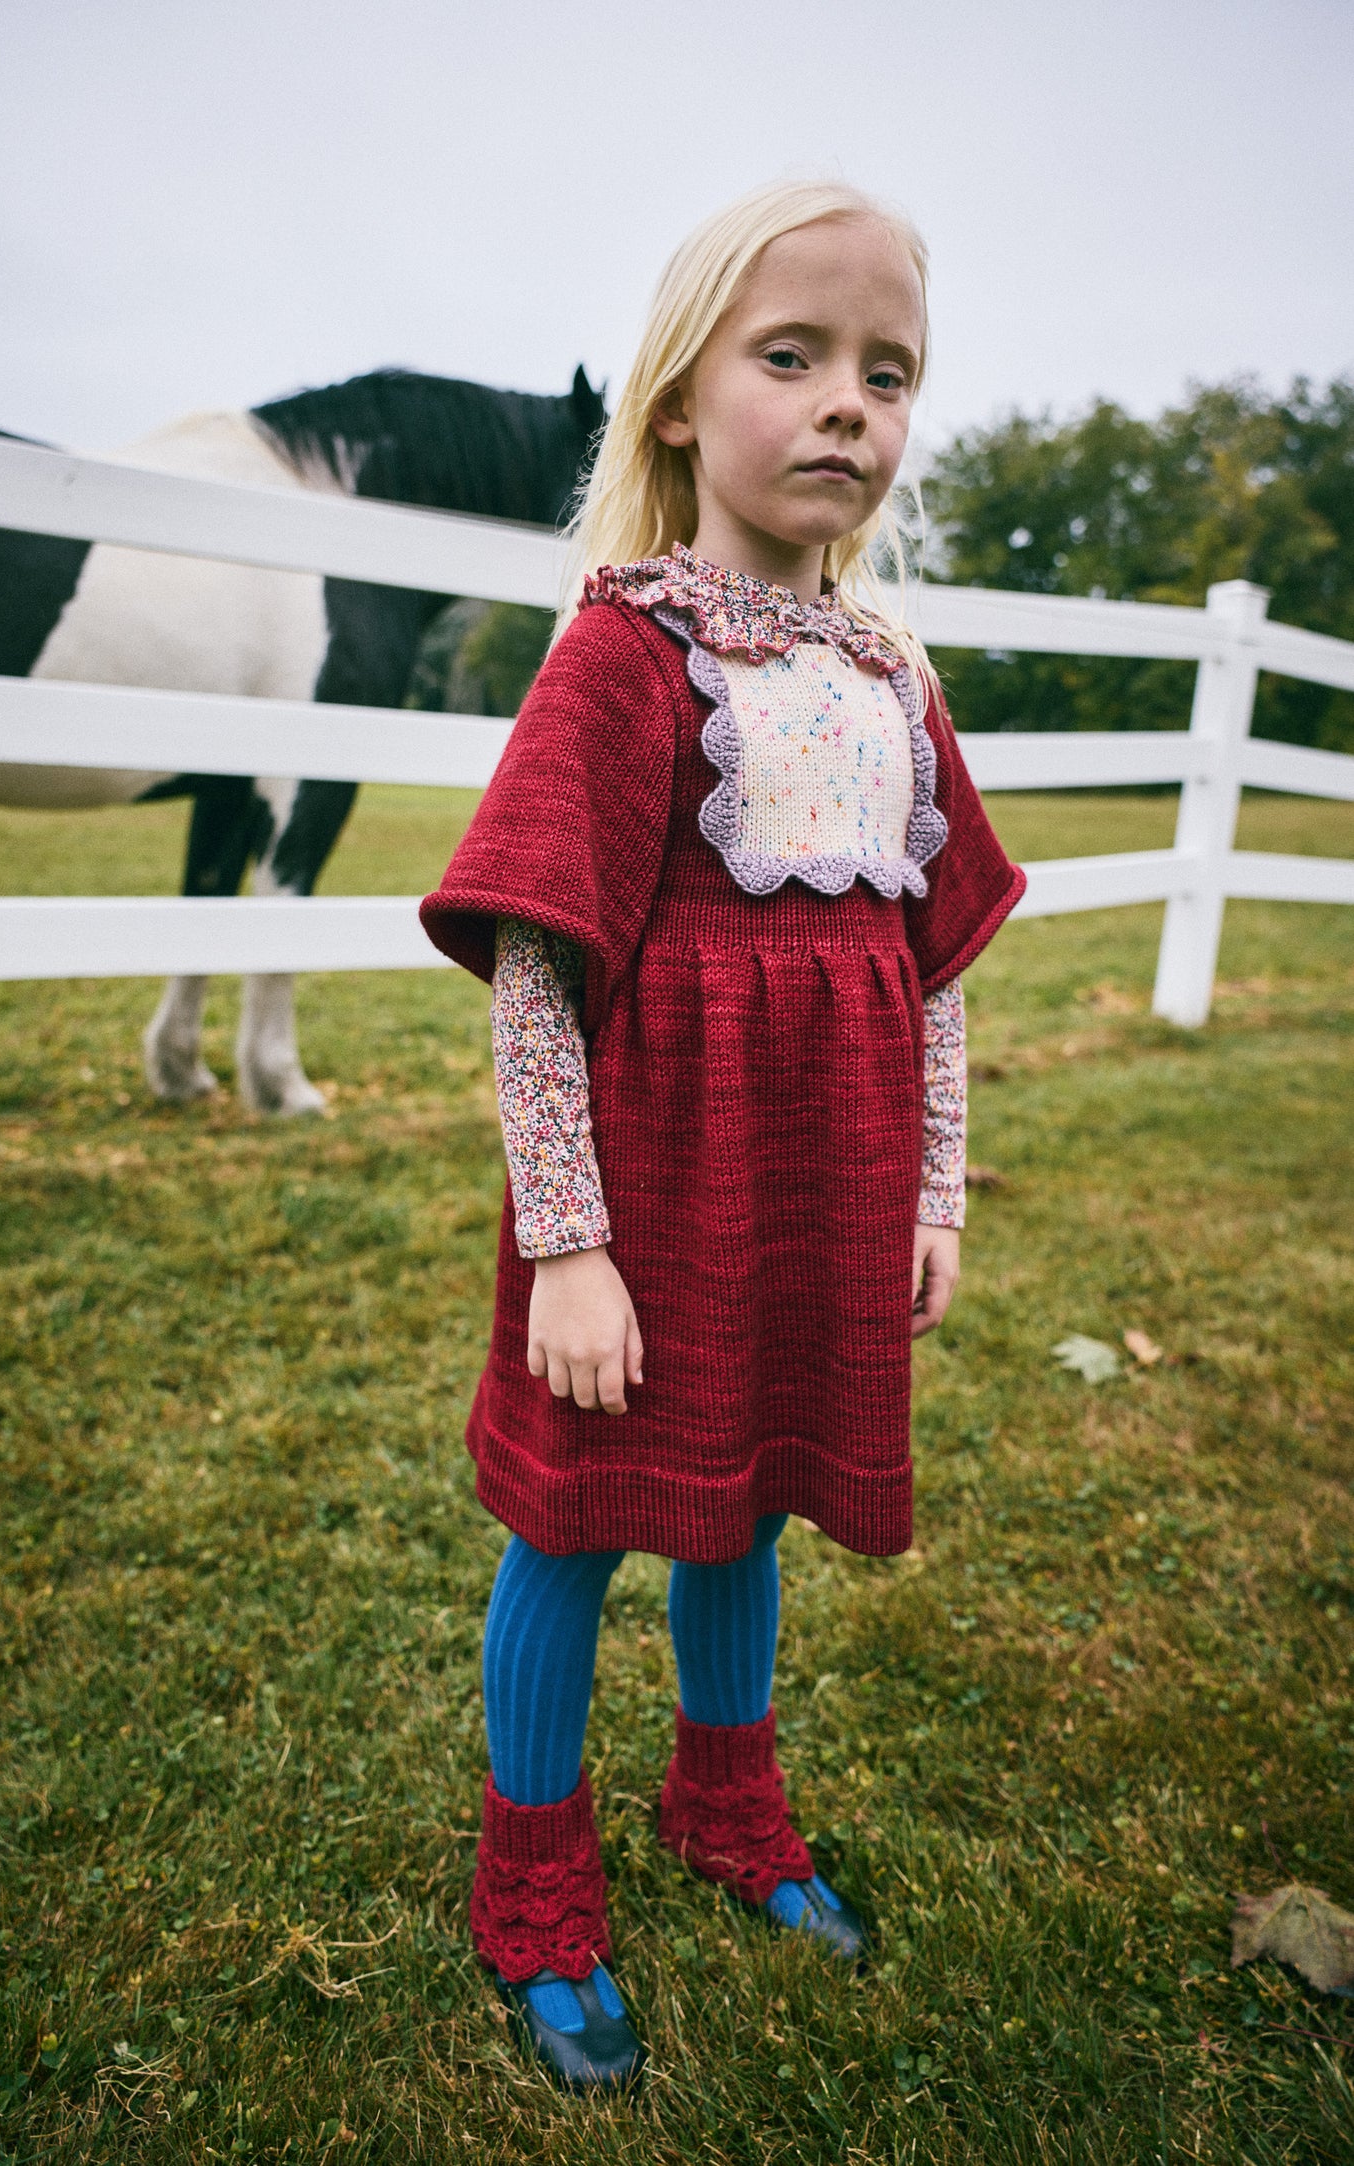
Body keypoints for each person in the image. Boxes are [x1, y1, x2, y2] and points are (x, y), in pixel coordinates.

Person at [420, 177, 1026, 2092]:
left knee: (746, 1488)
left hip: (816, 1182)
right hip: (645, 1187)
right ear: (680, 400)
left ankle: (728, 1804)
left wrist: (931, 1182)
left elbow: (932, 965)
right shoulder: (624, 653)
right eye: (796, 357)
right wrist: (570, 1241)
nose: (849, 402)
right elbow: (533, 966)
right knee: (583, 1519)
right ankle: (534, 1885)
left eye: (888, 370)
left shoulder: (893, 681)